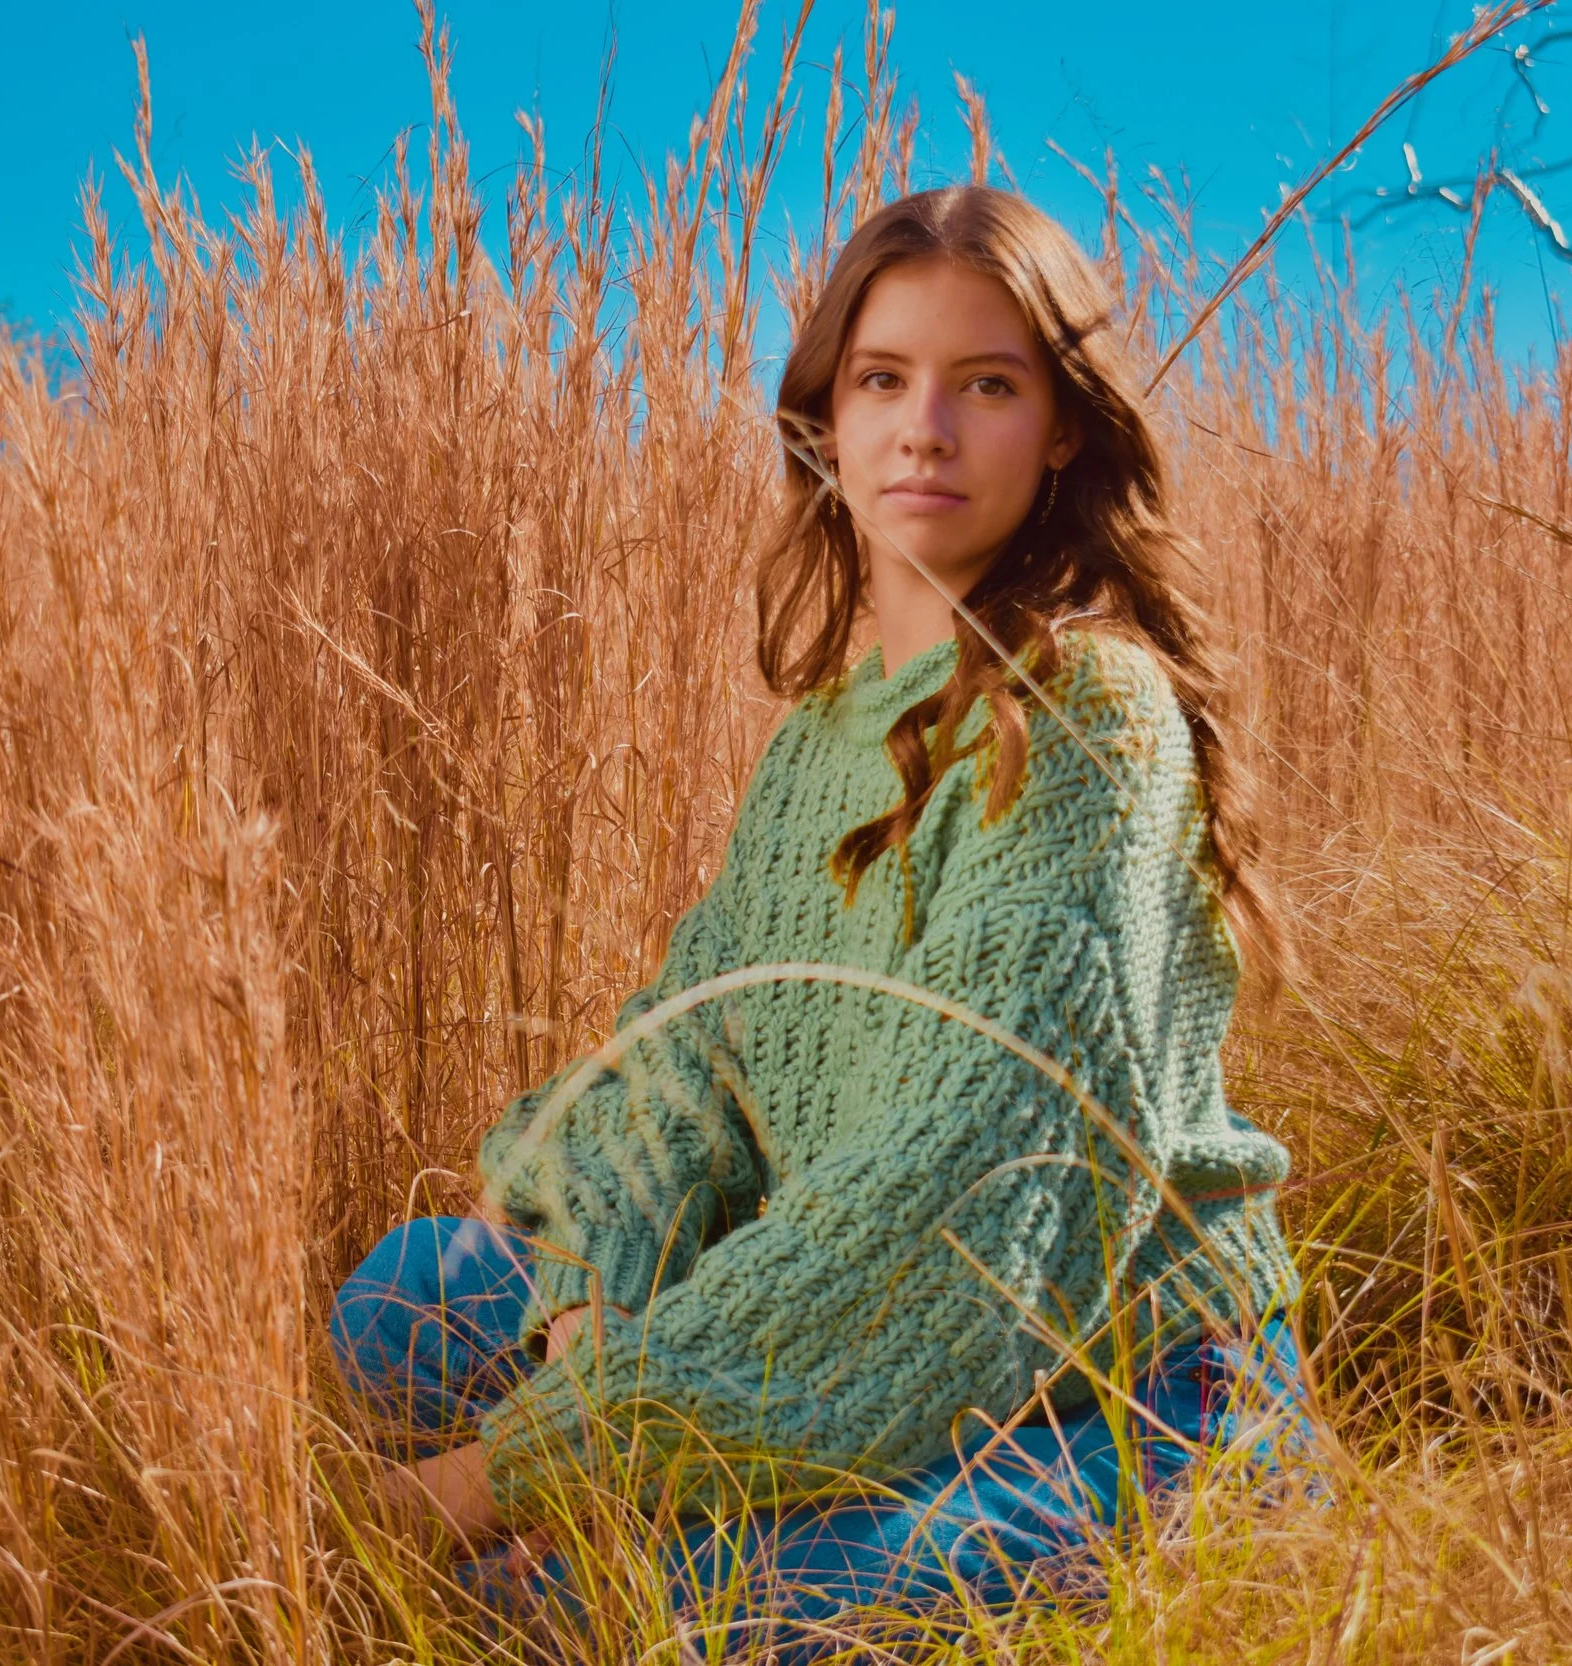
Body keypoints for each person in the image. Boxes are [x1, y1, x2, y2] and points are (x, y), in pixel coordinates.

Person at [328, 183, 1323, 1653]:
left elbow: (958, 1215)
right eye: (883, 380)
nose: (927, 429)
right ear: (827, 423)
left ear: (1062, 428)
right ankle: (730, 1469)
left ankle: (787, 1517)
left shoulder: (1086, 718)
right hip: (869, 1324)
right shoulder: (819, 742)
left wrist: (516, 1470)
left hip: (1120, 1387)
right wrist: (597, 1303)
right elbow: (680, 1058)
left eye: (988, 385)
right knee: (402, 1310)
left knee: (627, 1610)